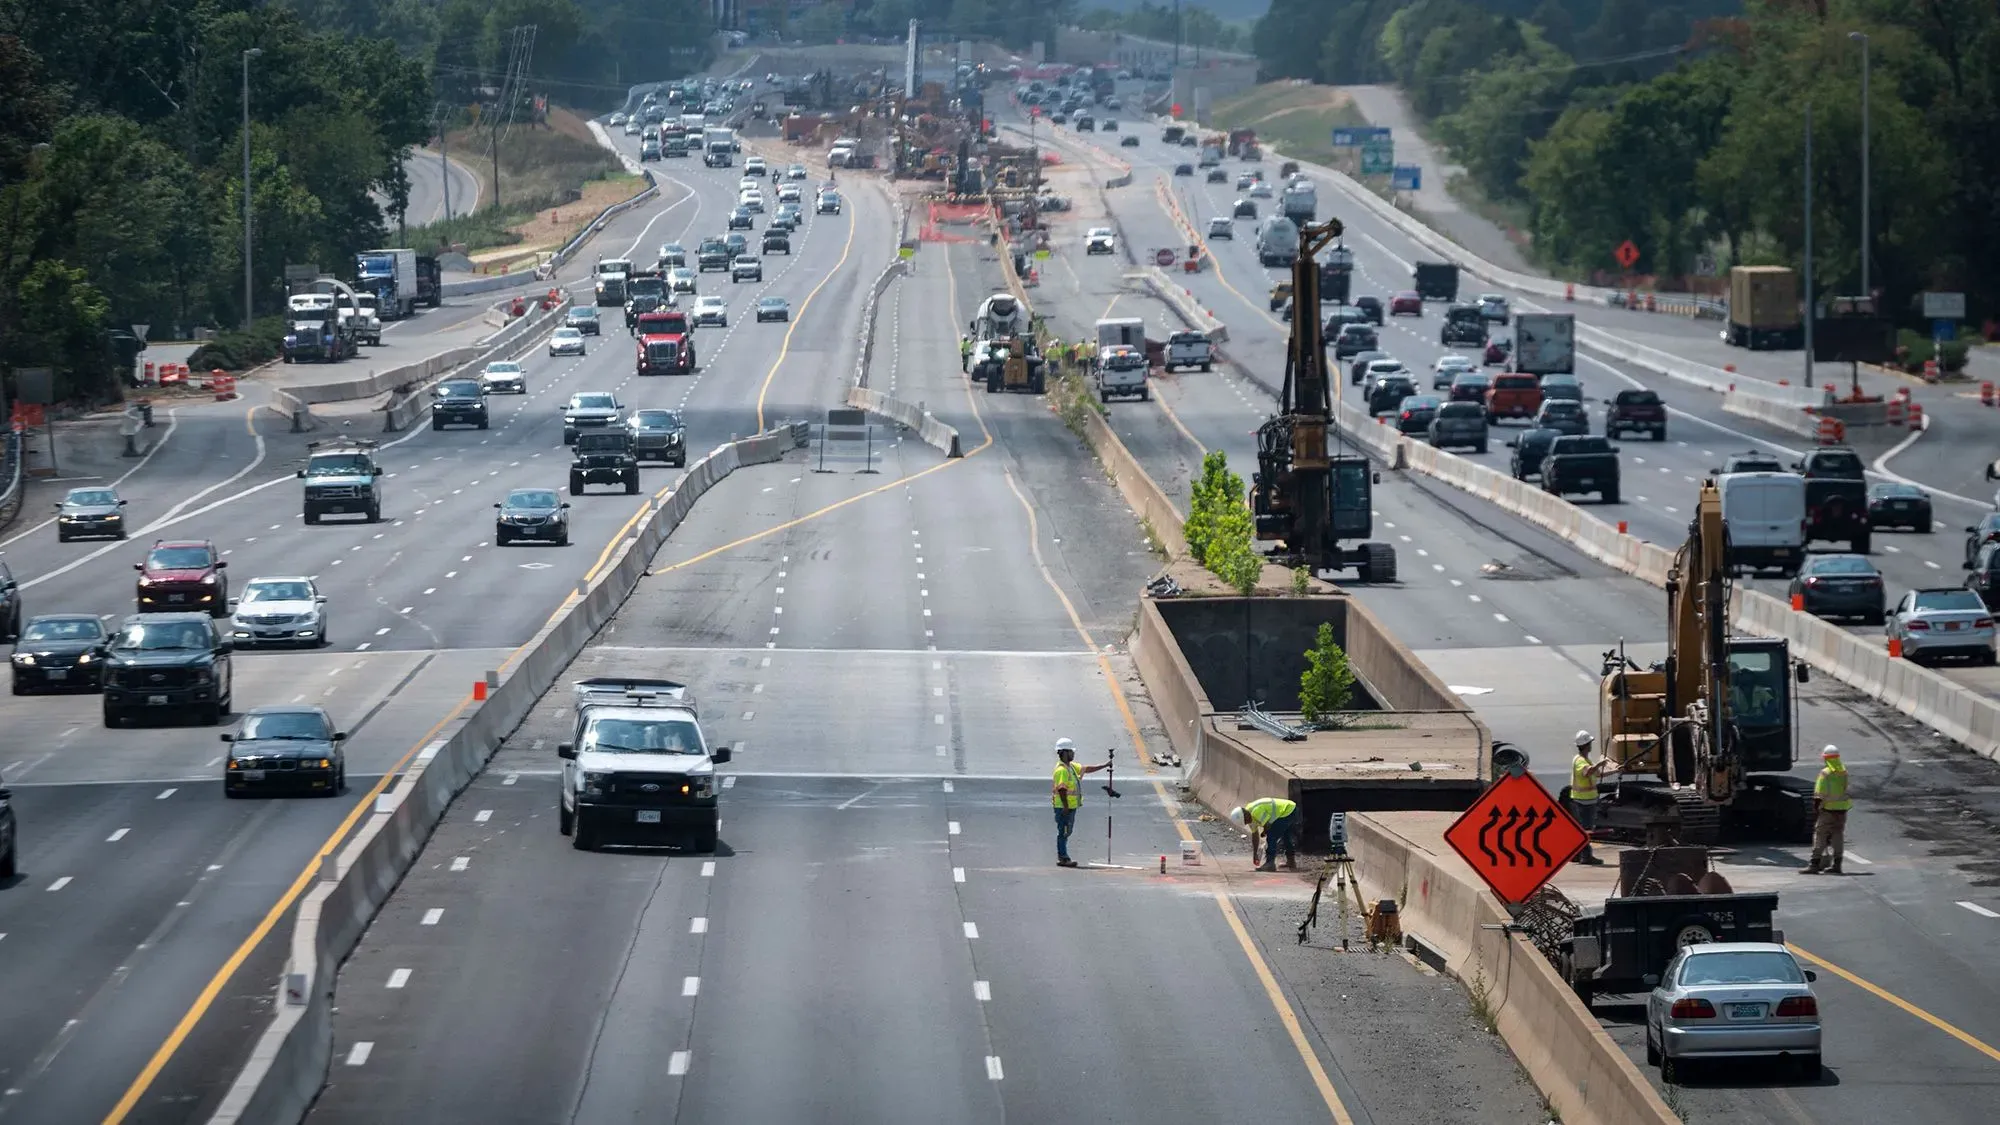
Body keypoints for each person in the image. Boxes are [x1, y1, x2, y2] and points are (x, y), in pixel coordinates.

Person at [1051, 738, 1110, 868]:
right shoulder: (1062, 770)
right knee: (1063, 832)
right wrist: (1066, 807)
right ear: (1065, 752)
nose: (1073, 754)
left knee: (1067, 831)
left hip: (1070, 807)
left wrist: (1104, 766)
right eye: (1071, 751)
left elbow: (1086, 769)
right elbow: (1061, 789)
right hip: (1063, 808)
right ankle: (1063, 858)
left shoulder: (1071, 767)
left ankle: (1063, 856)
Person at [1803, 745, 1851, 874]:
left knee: (1820, 835)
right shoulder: (1843, 772)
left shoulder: (1825, 773)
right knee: (1837, 835)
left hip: (1827, 810)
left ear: (1825, 758)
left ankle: (1814, 864)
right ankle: (1837, 864)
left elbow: (1819, 794)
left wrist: (1815, 809)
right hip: (1842, 810)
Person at [1570, 730, 1613, 865]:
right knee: (1586, 830)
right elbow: (1588, 772)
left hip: (1586, 800)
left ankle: (1578, 855)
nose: (1591, 745)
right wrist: (1600, 764)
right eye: (1590, 743)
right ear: (1586, 745)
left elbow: (1597, 774)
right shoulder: (1580, 761)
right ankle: (1586, 856)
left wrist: (1617, 769)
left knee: (1583, 829)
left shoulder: (1585, 760)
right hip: (1584, 801)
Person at [1231, 797, 1300, 871]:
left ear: (1245, 814)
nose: (1247, 822)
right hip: (1289, 810)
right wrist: (1255, 853)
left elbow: (1267, 826)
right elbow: (1255, 835)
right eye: (1245, 823)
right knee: (1285, 835)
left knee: (1271, 835)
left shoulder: (1256, 811)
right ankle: (1291, 862)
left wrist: (1264, 833)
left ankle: (1270, 863)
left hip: (1288, 810)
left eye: (1246, 820)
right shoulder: (1249, 816)